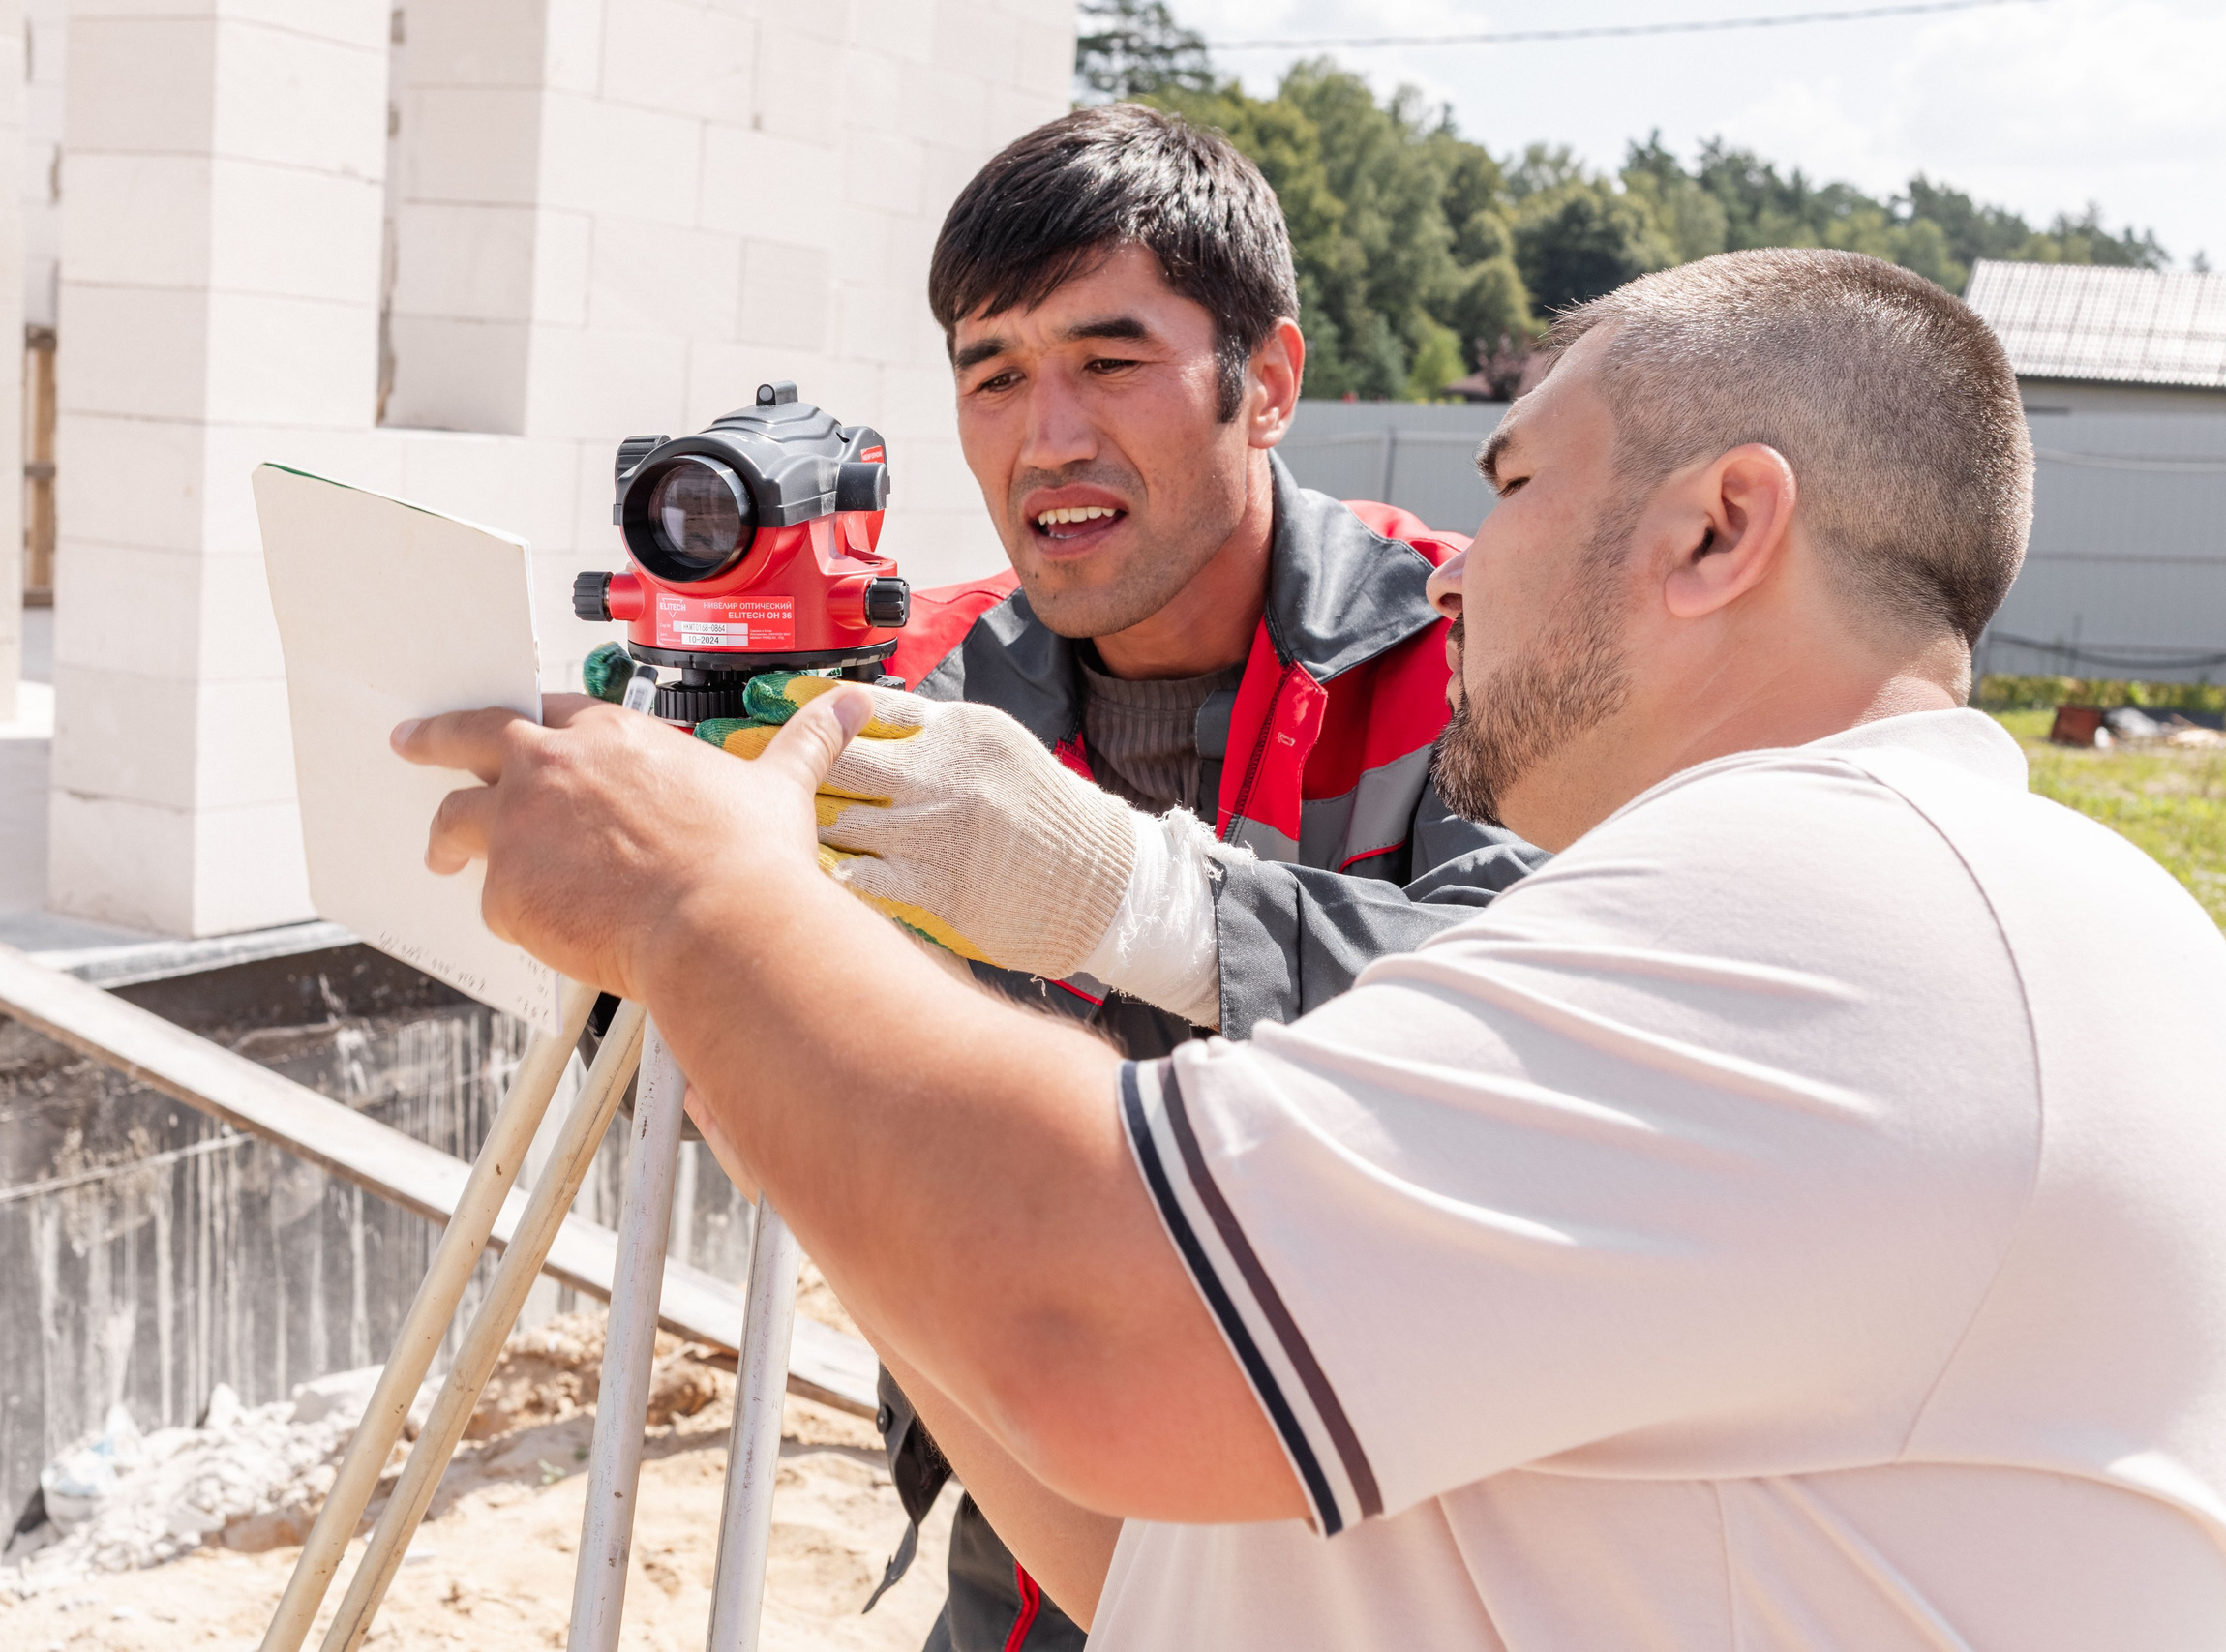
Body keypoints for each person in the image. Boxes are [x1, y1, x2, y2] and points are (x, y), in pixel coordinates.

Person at [398, 248, 2226, 1648]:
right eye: (993, 371)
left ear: (1717, 530)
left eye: (1515, 486)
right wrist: (765, 1042)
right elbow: (1160, 1538)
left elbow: (1099, 1324)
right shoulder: (1855, 909)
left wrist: (708, 905)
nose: (1458, 567)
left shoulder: (1840, 920)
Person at [631, 103, 1542, 1649]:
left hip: (1393, 1535)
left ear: (1268, 383)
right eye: (992, 374)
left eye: (1109, 363)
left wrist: (1132, 896)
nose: (1046, 435)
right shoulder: (915, 688)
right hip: (1031, 1520)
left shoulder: (1473, 655)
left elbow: (1558, 1027)